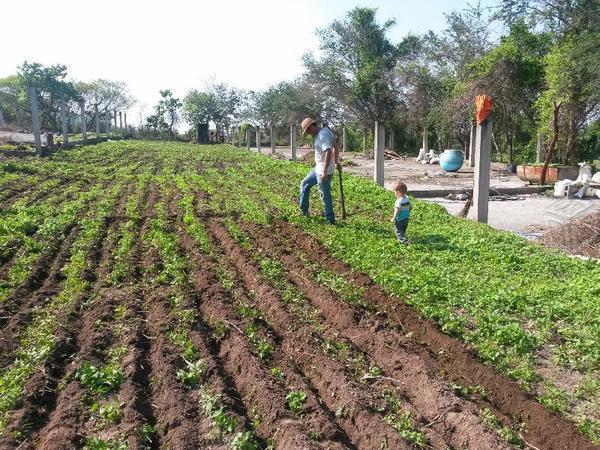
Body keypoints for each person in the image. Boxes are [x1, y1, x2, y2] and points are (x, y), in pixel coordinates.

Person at [298, 117, 341, 224]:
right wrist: (336, 162)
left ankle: (330, 219)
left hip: (323, 170)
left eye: (308, 130)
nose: (308, 133)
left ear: (313, 125)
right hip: (318, 168)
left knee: (324, 194)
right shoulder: (325, 131)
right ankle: (303, 211)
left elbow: (328, 151)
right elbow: (336, 146)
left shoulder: (322, 135)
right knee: (305, 184)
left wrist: (325, 171)